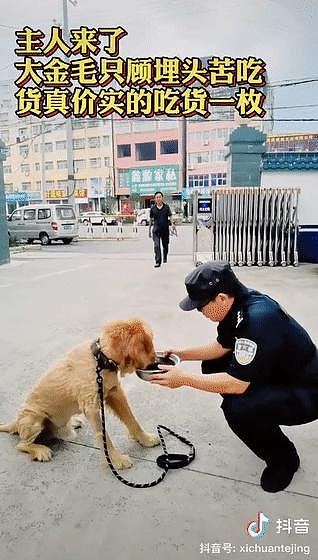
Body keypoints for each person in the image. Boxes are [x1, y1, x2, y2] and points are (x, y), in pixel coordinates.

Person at [149, 261, 318, 492]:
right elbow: (222, 346)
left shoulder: (258, 318)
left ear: (220, 298)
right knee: (213, 365)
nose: (199, 312)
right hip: (280, 374)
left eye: (201, 306)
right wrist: (181, 354)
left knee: (237, 408)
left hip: (306, 392)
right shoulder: (235, 305)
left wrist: (183, 379)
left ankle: (284, 458)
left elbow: (237, 385)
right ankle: (257, 414)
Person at [149, 191, 172, 268]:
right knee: (156, 246)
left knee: (165, 245)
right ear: (155, 199)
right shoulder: (153, 208)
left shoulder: (166, 207)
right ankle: (158, 261)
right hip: (156, 230)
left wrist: (173, 225)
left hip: (165, 230)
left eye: (159, 197)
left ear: (162, 198)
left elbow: (170, 216)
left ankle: (165, 256)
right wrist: (149, 230)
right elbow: (151, 219)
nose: (158, 198)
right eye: (157, 197)